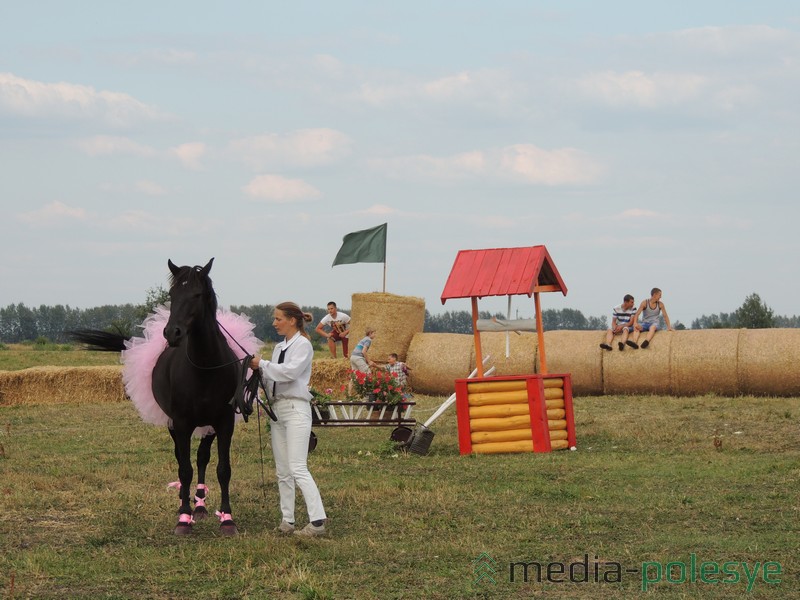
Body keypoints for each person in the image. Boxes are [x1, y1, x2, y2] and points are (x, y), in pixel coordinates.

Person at [250, 302, 327, 538]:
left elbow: (290, 372)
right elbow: (273, 375)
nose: (274, 323)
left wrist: (262, 365)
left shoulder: (303, 344)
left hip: (296, 409)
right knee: (283, 470)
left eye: (278, 319)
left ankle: (317, 522)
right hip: (278, 409)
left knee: (297, 467)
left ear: (292, 320)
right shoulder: (279, 347)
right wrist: (259, 371)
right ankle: (287, 520)